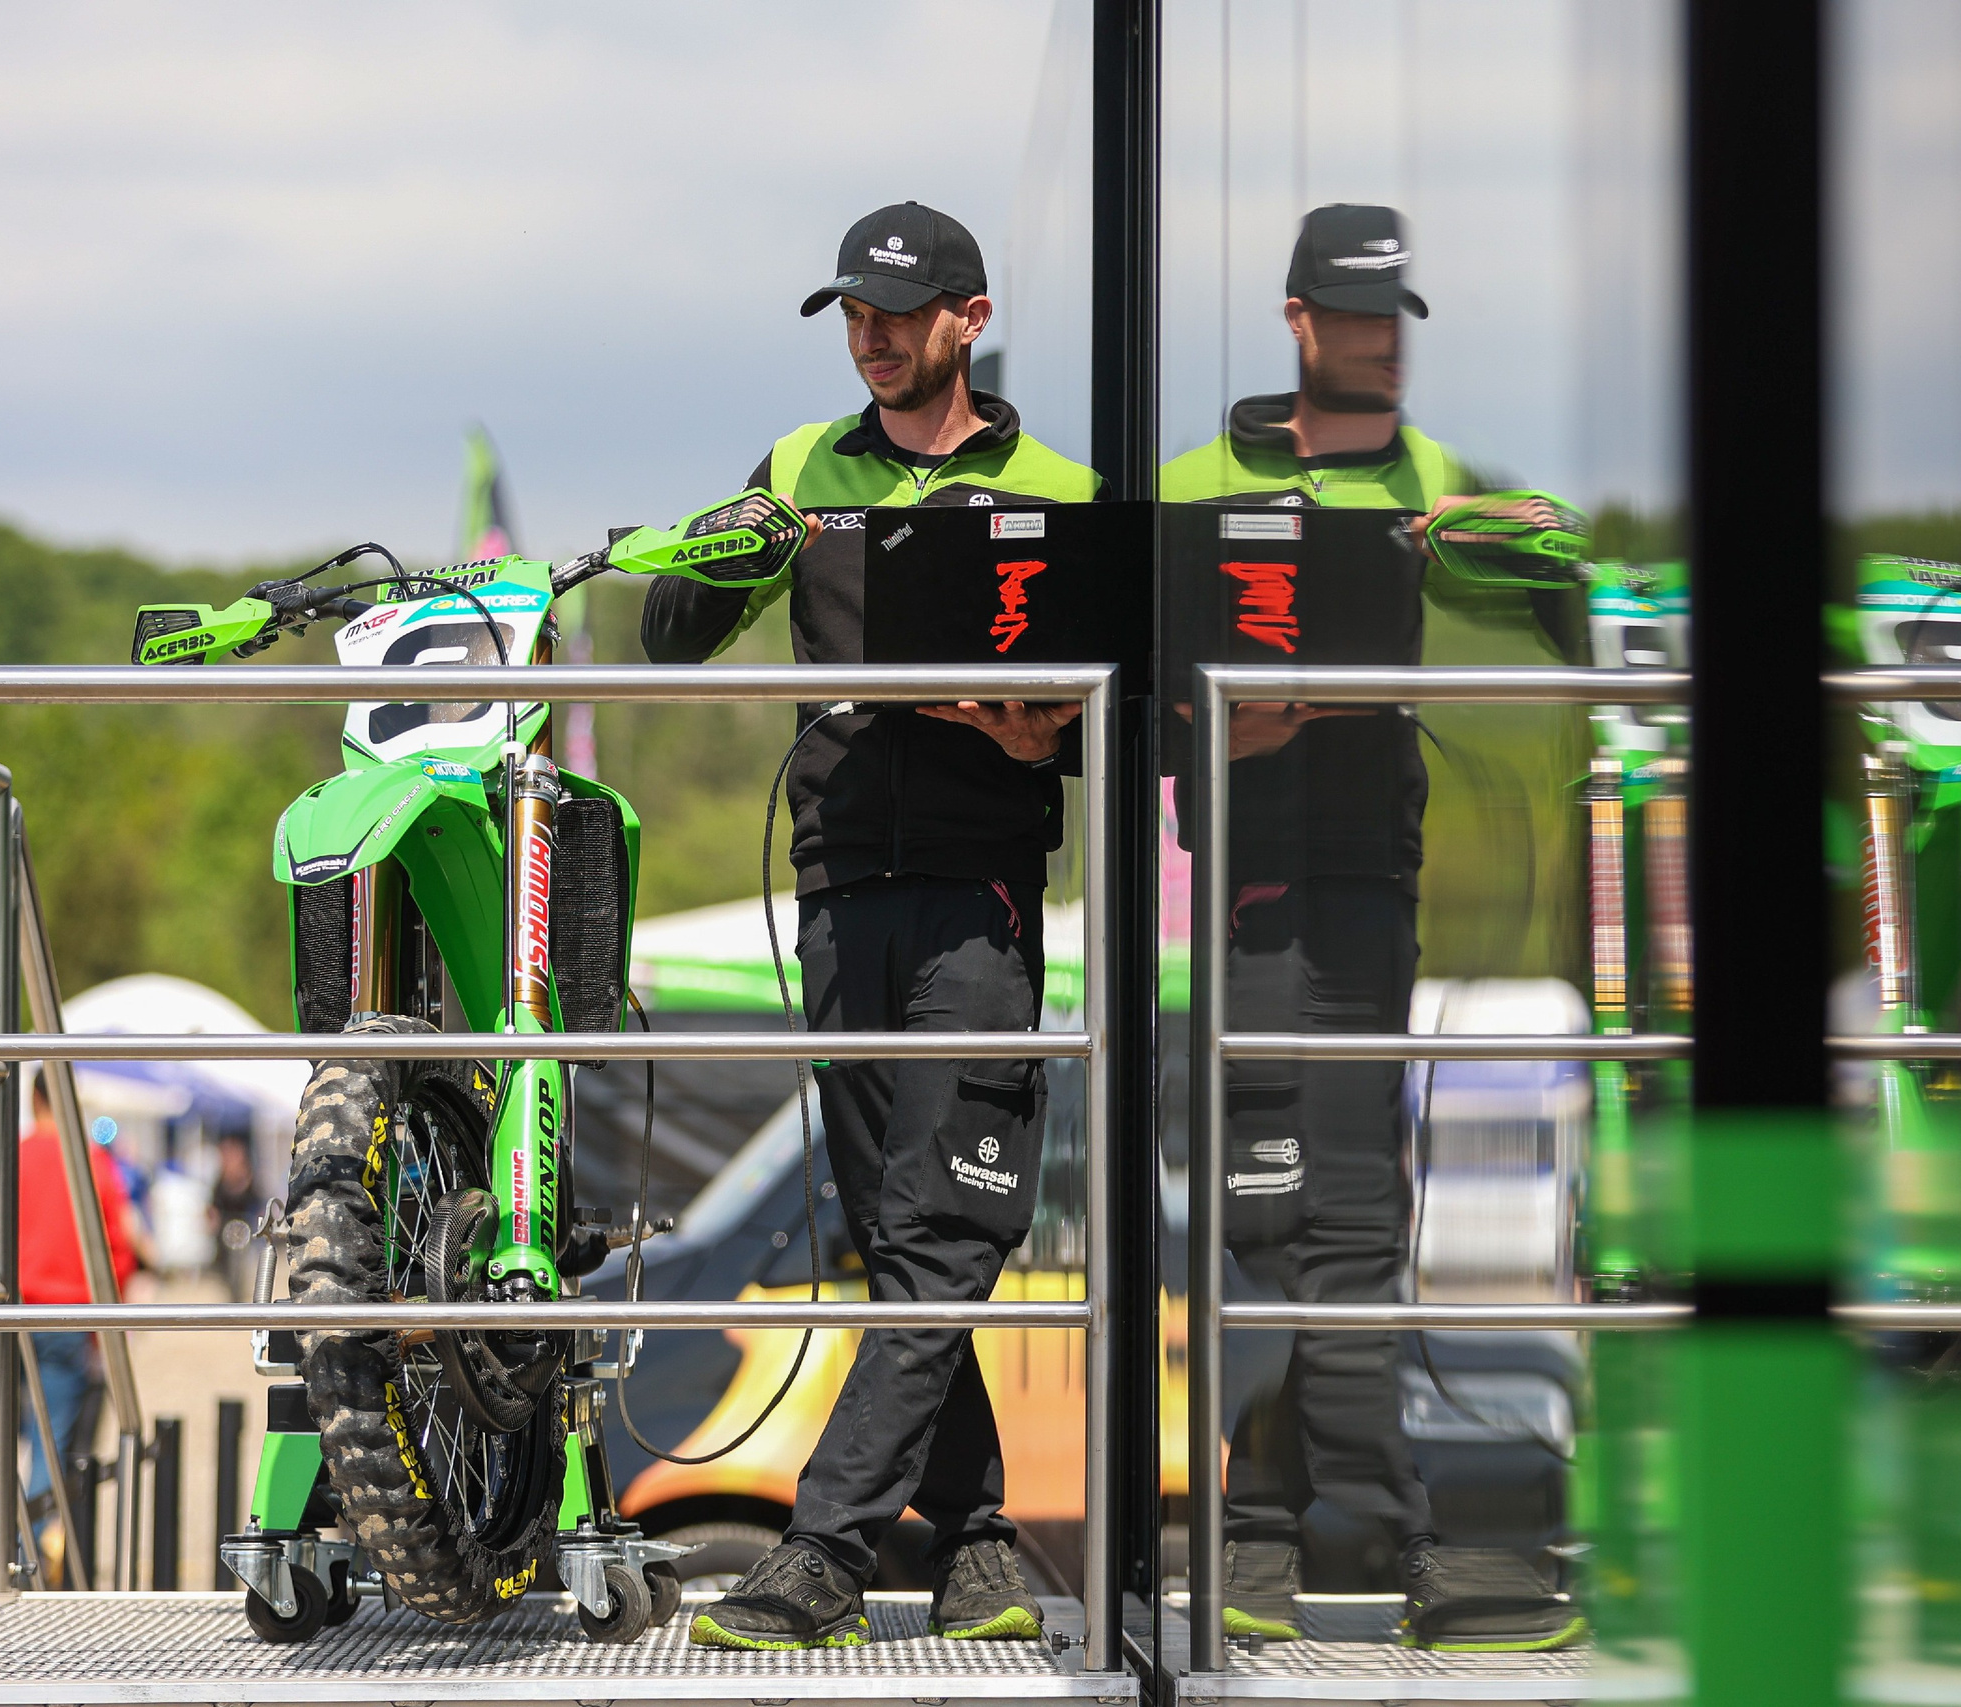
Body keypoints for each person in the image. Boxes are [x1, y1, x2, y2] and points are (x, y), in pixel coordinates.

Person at [645, 201, 1095, 1650]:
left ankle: (826, 1552)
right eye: (851, 312)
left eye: (897, 312)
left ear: (971, 318)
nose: (870, 337)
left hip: (983, 898)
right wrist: (725, 546)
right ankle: (976, 1544)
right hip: (836, 889)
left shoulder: (1061, 487)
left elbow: (1123, 705)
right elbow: (668, 639)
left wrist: (1044, 735)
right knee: (900, 1236)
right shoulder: (798, 466)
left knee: (946, 1222)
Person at [1161, 205, 1583, 1651]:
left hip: (1368, 899)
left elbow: (1567, 621)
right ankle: (1359, 1545)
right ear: (1297, 321)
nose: (1382, 344)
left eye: (1396, 318)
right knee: (1279, 1225)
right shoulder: (1196, 483)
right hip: (1248, 896)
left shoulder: (1435, 477)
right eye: (1354, 317)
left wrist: (1543, 546)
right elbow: (1122, 690)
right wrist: (1216, 728)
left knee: (1345, 1224)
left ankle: (1286, 1543)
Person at [0, 1076, 136, 1503]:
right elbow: (117, 1251)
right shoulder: (92, 1162)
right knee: (49, 1447)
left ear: (33, 1098)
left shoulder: (0, 1157)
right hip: (66, 1317)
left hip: (2, 1311)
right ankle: (27, 1541)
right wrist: (107, 1325)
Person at [207, 1133, 263, 1299]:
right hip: (225, 1229)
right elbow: (214, 1203)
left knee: (241, 1265)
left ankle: (238, 1294)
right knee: (226, 1268)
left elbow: (255, 1199)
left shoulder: (248, 1176)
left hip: (244, 1227)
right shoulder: (220, 1179)